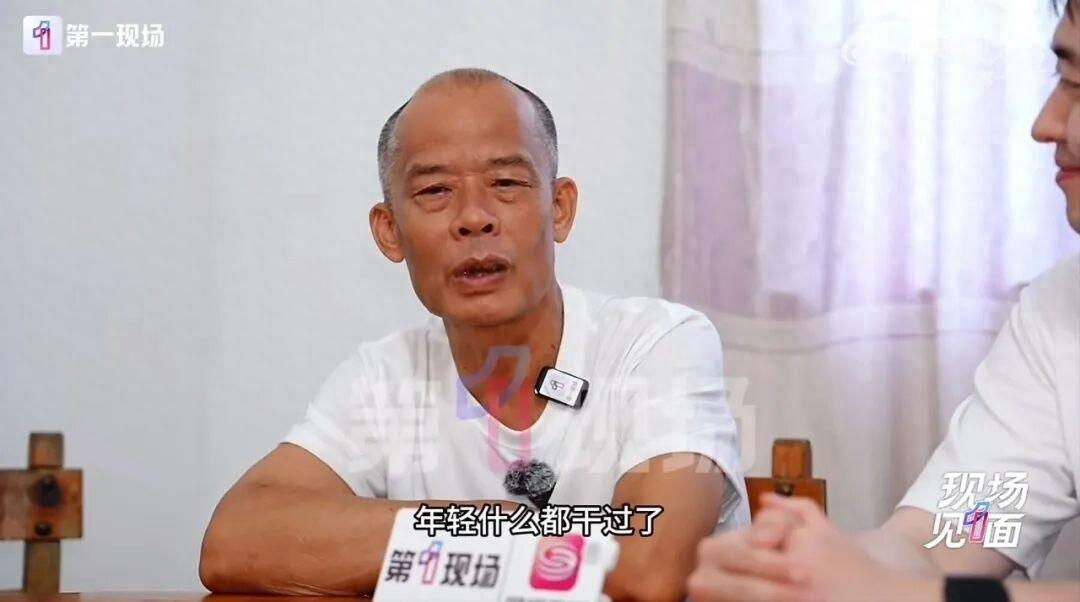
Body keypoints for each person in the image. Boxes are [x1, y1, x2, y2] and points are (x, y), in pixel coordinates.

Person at [199, 68, 750, 601]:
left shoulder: (657, 343)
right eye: (435, 190)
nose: (473, 218)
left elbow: (646, 568)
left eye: (505, 183)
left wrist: (434, 547)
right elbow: (236, 539)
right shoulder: (384, 376)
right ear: (390, 232)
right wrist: (499, 526)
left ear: (559, 208)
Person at [688, 2, 1080, 601]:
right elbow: (954, 533)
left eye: (1077, 85)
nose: (1046, 124)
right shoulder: (1060, 313)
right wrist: (807, 564)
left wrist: (896, 594)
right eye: (1061, 78)